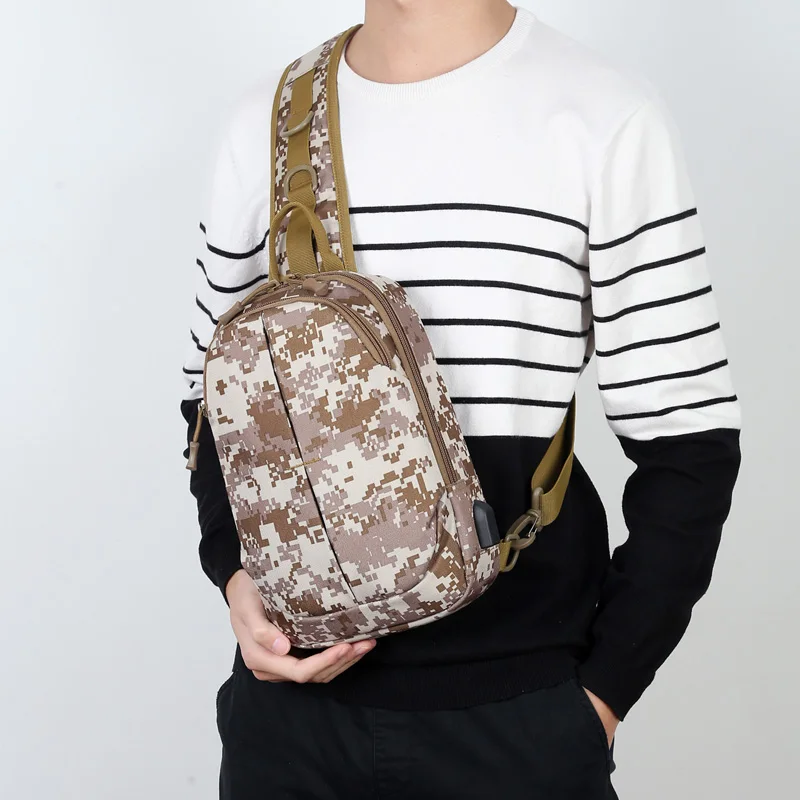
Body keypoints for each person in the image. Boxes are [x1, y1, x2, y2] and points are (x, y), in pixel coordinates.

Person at [179, 1, 742, 797]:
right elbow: (211, 406)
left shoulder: (603, 115)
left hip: (518, 722)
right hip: (288, 723)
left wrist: (598, 700)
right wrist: (236, 577)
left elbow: (689, 443)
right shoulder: (272, 120)